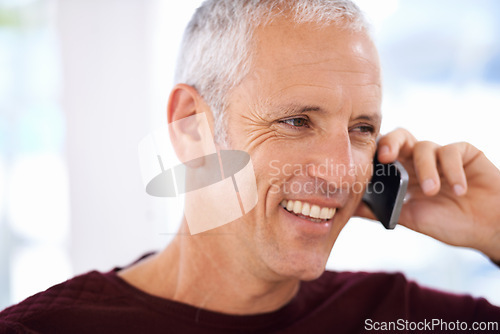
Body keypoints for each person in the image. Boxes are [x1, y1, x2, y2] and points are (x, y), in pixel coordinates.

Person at [1, 0, 499, 333]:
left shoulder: (396, 316)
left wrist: (494, 227)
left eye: (362, 128)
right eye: (297, 120)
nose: (342, 171)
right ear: (191, 126)